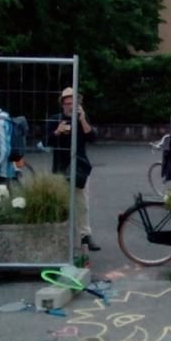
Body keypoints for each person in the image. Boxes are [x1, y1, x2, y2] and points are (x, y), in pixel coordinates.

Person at [46, 87, 100, 251]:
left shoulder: (82, 118)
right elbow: (46, 141)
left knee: (82, 203)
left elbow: (93, 137)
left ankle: (85, 236)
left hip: (79, 168)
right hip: (60, 168)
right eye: (67, 103)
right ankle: (61, 237)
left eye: (73, 103)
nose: (70, 106)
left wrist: (83, 119)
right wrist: (57, 132)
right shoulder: (55, 120)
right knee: (60, 204)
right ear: (62, 105)